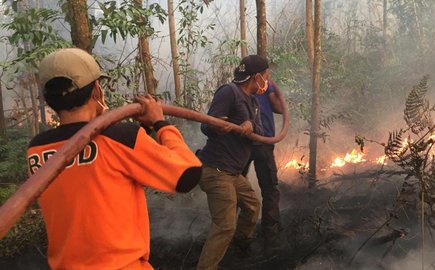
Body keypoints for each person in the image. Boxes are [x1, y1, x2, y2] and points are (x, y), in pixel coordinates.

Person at [26, 48, 202, 270]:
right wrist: (161, 124)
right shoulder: (120, 137)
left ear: (48, 99)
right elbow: (188, 175)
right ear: (96, 90)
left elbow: (93, 182)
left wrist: (142, 134)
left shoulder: (36, 149)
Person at [196, 55, 269, 270]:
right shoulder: (228, 92)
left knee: (252, 206)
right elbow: (206, 125)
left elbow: (260, 132)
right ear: (256, 77)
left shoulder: (253, 102)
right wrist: (218, 126)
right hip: (216, 170)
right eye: (266, 77)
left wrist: (248, 126)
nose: (267, 81)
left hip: (232, 173)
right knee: (225, 225)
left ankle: (240, 247)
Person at [241, 79, 284, 252]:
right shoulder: (265, 85)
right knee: (269, 190)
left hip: (242, 144)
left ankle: (242, 235)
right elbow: (279, 108)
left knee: (236, 187)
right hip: (262, 143)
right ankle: (271, 236)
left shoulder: (239, 87)